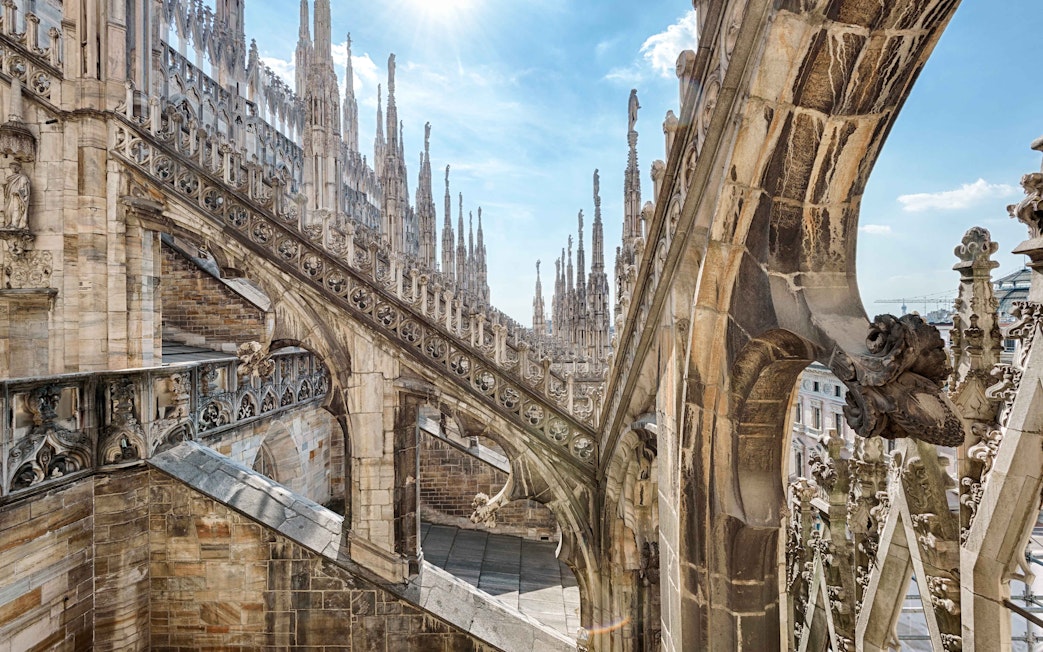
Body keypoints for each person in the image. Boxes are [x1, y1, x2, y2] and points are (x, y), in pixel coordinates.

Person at [2, 161, 29, 230]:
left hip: (18, 198)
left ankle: (15, 224)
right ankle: (8, 224)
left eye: (16, 167)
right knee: (8, 210)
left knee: (16, 209)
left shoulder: (22, 178)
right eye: (12, 167)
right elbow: (6, 190)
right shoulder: (9, 178)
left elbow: (25, 191)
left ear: (18, 168)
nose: (14, 169)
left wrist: (18, 193)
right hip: (9, 197)